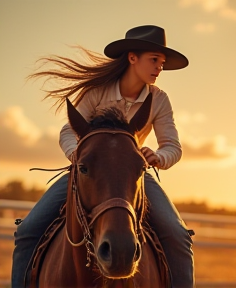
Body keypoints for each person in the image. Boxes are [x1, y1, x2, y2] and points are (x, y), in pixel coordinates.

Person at [12, 25, 194, 288]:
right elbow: (68, 130)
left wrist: (157, 156)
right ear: (133, 57)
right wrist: (79, 157)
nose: (159, 68)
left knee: (179, 236)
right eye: (154, 60)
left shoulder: (160, 100)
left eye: (162, 63)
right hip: (88, 172)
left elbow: (173, 147)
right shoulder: (98, 90)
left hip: (133, 176)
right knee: (27, 231)